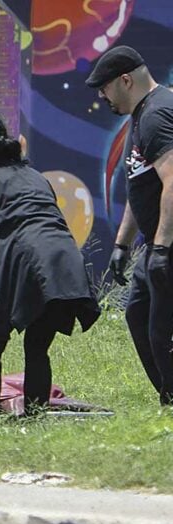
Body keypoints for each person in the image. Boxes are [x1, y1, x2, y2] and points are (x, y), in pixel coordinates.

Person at [0, 107, 100, 417]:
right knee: (37, 346)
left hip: (21, 262)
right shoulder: (35, 177)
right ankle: (35, 415)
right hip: (62, 263)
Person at [86, 46, 173, 405]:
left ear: (125, 80)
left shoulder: (156, 115)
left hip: (166, 243)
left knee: (162, 331)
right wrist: (122, 245)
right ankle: (167, 397)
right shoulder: (139, 117)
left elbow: (172, 180)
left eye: (105, 88)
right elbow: (141, 186)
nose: (102, 96)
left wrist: (163, 248)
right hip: (154, 243)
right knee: (138, 314)